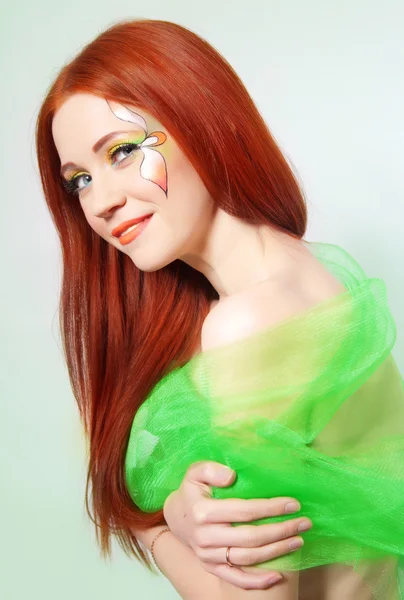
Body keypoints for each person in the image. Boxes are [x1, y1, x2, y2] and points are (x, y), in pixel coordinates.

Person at [36, 18, 404, 600]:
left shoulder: (248, 324)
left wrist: (153, 528)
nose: (101, 201)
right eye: (79, 179)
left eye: (124, 151)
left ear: (202, 123)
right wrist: (181, 505)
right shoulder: (310, 268)